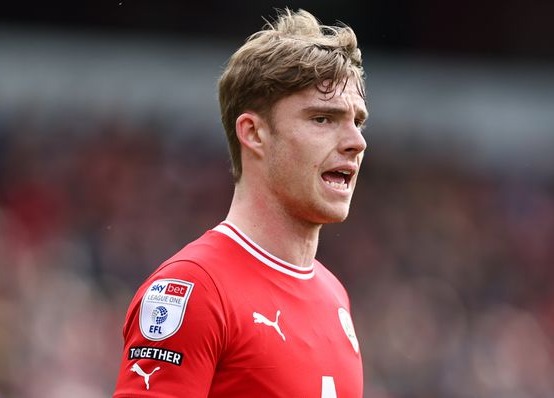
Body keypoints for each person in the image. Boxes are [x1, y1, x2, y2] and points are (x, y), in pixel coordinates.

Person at [113, 8, 368, 397]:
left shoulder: (334, 296)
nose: (356, 141)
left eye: (358, 122)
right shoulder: (192, 289)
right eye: (323, 119)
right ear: (254, 133)